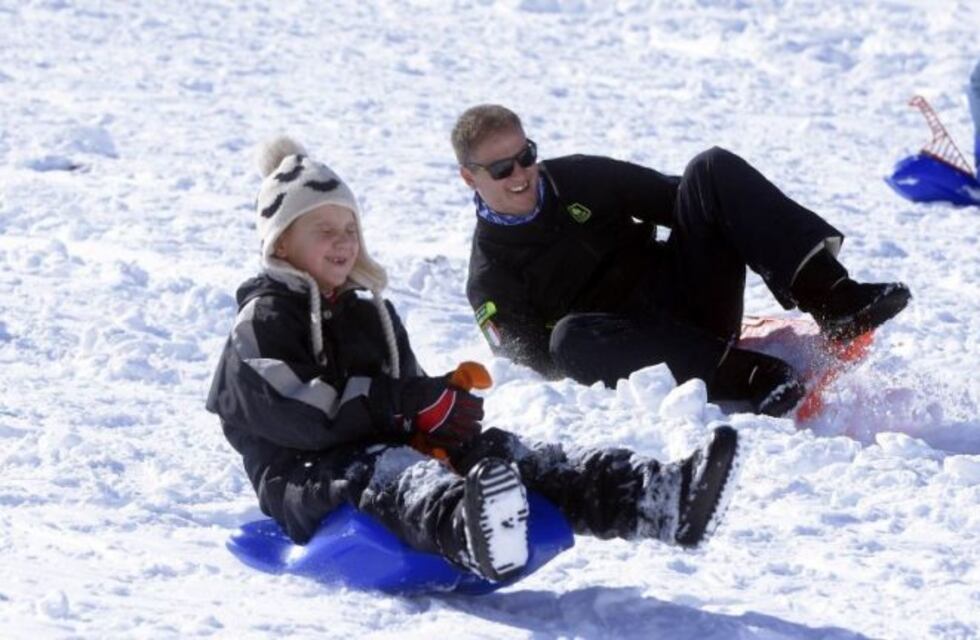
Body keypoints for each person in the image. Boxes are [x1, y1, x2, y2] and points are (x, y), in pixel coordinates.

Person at [206, 136, 741, 583]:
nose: (343, 243)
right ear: (280, 245)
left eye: (350, 230)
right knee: (400, 474)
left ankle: (656, 499)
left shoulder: (372, 314)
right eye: (324, 231)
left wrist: (441, 408)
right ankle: (472, 531)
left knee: (509, 456)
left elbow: (400, 398)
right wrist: (409, 406)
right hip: (305, 477)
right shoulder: (263, 321)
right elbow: (302, 412)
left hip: (383, 454)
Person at [452, 105, 911, 417]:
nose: (522, 174)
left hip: (693, 300)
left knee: (709, 169)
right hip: (646, 354)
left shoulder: (577, 177)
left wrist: (750, 217)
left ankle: (834, 299)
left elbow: (688, 200)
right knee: (568, 342)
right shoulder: (491, 278)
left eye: (526, 156)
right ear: (470, 178)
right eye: (502, 169)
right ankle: (750, 377)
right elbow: (538, 370)